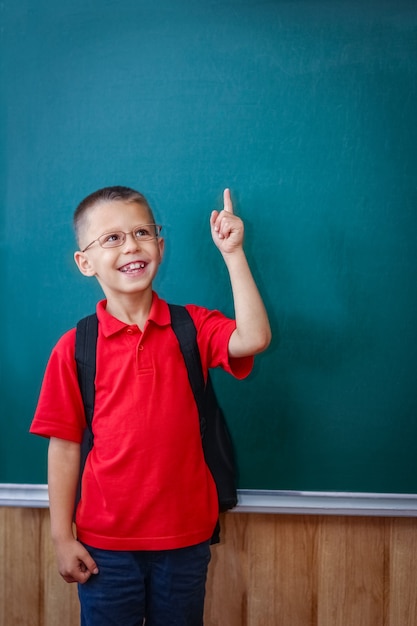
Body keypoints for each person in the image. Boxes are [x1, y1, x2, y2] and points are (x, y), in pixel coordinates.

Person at [30, 185, 271, 626]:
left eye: (142, 232)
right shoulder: (74, 348)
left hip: (185, 541)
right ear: (84, 262)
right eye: (112, 238)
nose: (131, 246)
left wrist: (233, 254)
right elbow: (64, 448)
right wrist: (62, 538)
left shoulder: (192, 328)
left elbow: (253, 338)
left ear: (160, 247)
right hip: (105, 547)